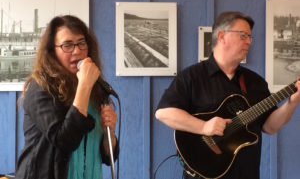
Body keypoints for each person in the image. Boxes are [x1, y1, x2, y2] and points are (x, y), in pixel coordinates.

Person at [155, 11, 300, 179]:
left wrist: (293, 102)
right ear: (221, 36)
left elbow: (270, 126)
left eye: (250, 37)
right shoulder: (192, 77)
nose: (249, 42)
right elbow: (163, 113)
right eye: (243, 35)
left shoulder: (256, 82)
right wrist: (203, 127)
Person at [15, 15, 119, 179]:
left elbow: (107, 156)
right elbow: (65, 140)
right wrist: (84, 85)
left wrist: (109, 134)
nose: (77, 51)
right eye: (67, 45)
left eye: (81, 43)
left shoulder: (95, 88)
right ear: (52, 51)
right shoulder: (40, 87)